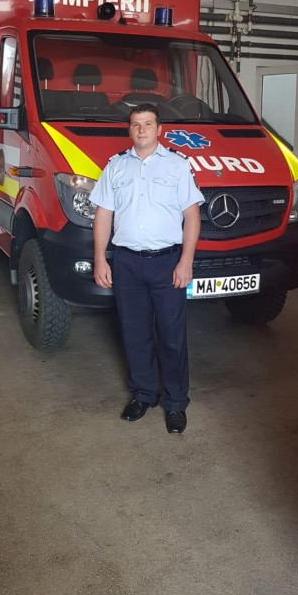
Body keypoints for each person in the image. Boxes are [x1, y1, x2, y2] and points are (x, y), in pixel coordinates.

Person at [89, 103, 204, 434]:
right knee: (134, 333)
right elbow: (104, 215)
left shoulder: (177, 165)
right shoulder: (115, 167)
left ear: (159, 130)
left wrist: (186, 261)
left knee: (171, 336)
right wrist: (101, 258)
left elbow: (192, 215)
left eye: (148, 124)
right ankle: (143, 395)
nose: (141, 130)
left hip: (168, 262)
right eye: (136, 124)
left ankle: (176, 403)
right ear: (129, 130)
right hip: (127, 262)